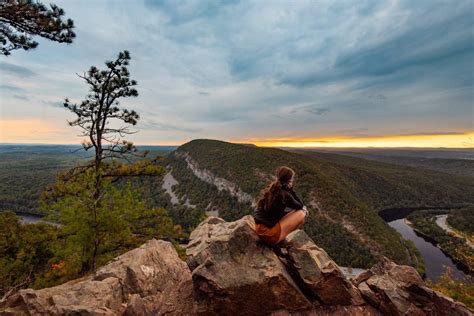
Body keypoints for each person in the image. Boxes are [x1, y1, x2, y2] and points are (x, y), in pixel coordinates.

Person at [253, 166, 309, 246]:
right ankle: (281, 238)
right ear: (288, 180)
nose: (293, 180)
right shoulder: (285, 195)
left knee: (292, 212)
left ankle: (280, 236)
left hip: (260, 228)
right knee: (302, 212)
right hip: (268, 235)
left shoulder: (272, 189)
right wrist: (291, 190)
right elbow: (300, 205)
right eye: (292, 178)